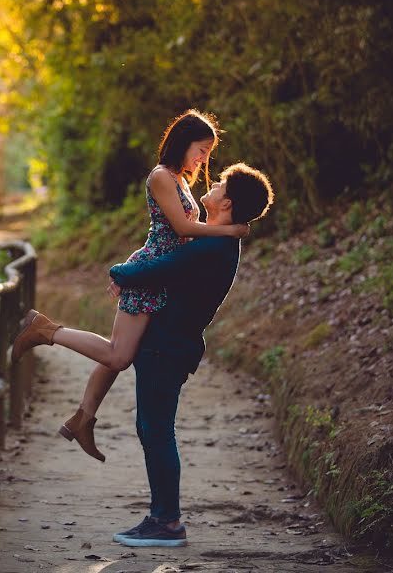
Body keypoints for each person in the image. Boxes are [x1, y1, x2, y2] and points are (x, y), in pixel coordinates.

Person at [11, 110, 249, 462]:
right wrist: (229, 230)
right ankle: (44, 329)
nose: (204, 159)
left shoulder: (180, 179)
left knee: (120, 351)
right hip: (151, 274)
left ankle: (83, 418)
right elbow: (182, 230)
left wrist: (137, 265)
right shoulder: (161, 177)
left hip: (156, 274)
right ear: (182, 143)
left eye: (208, 152)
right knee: (118, 355)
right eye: (201, 149)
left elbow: (163, 235)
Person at [107, 162, 274, 547]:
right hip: (169, 345)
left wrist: (118, 270)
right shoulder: (217, 241)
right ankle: (161, 517)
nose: (211, 184)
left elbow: (150, 271)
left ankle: (167, 521)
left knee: (158, 431)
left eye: (219, 184)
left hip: (168, 347)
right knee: (151, 429)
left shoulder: (212, 245)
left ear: (226, 201)